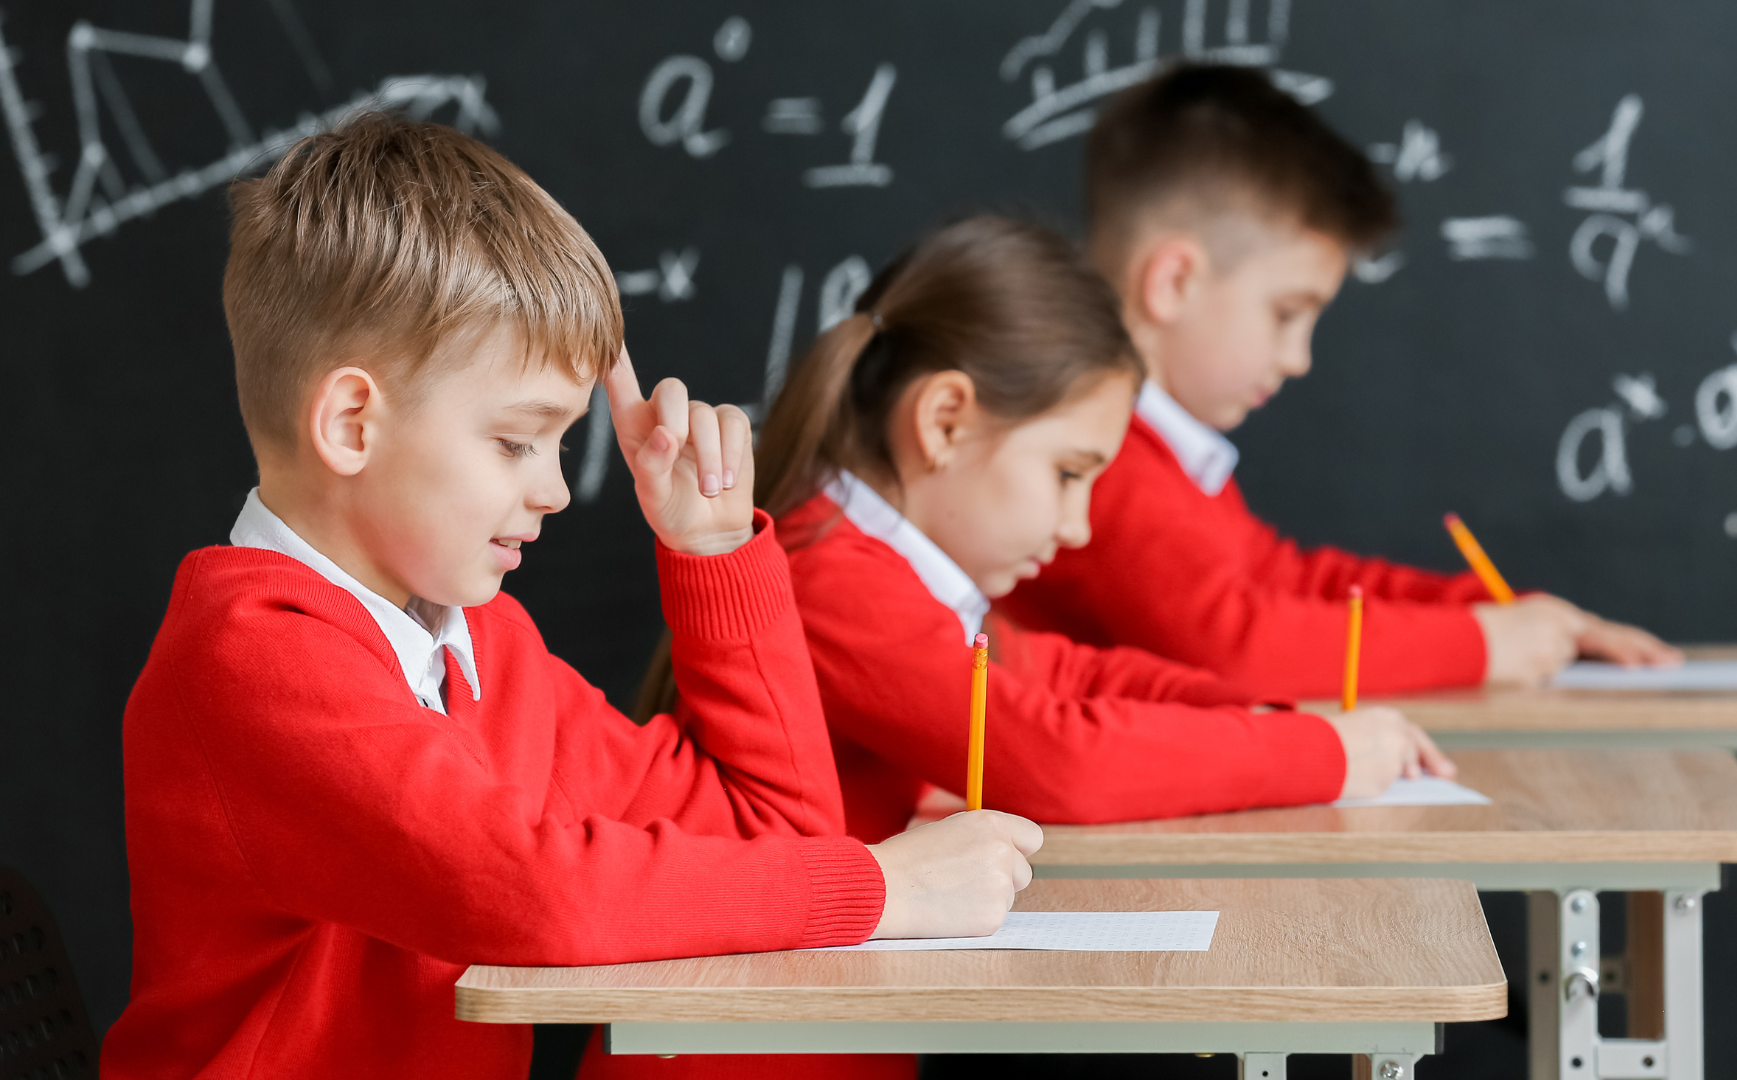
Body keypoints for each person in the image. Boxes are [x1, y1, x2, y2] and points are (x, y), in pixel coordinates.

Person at [102, 112, 1039, 1080]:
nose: (553, 488)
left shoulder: (479, 648)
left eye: (560, 444)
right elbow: (532, 893)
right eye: (516, 441)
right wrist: (880, 889)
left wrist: (714, 552)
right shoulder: (255, 658)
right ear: (350, 423)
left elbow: (774, 830)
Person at [736, 214, 1450, 847]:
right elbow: (1053, 761)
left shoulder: (861, 556)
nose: (1076, 527)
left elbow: (1067, 675)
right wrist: (1324, 755)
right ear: (944, 420)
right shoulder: (826, 574)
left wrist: (1254, 715)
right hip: (767, 989)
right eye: (1068, 474)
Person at [998, 64, 1680, 699]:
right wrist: (1479, 643)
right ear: (1175, 281)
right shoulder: (1099, 458)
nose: (1299, 359)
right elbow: (1233, 648)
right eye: (1286, 314)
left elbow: (1285, 582)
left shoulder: (1161, 452)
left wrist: (1495, 613)